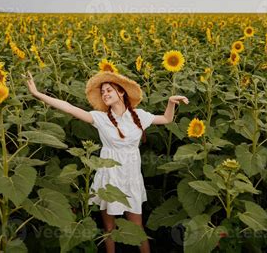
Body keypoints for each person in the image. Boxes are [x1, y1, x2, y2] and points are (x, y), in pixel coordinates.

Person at [26, 71, 188, 253]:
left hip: (131, 177)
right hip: (109, 178)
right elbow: (70, 108)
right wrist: (37, 94)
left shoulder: (139, 116)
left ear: (121, 92)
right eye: (102, 92)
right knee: (109, 229)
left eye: (108, 90)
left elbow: (166, 119)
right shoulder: (101, 119)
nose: (105, 94)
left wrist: (171, 102)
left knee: (138, 229)